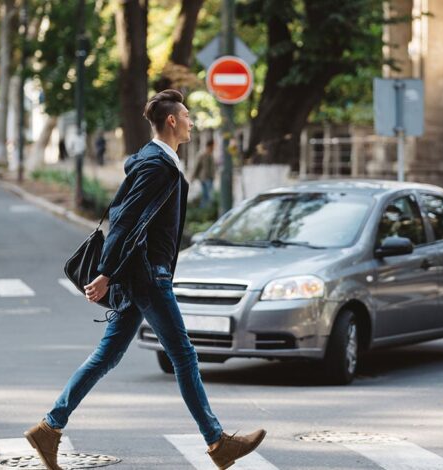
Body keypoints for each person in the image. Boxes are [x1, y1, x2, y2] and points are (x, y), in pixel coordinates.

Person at [24, 89, 266, 470]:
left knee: (107, 355)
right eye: (186, 115)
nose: (190, 121)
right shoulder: (156, 165)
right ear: (172, 120)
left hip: (143, 276)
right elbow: (126, 220)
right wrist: (105, 273)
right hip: (148, 277)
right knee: (184, 356)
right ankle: (217, 442)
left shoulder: (159, 161)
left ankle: (49, 427)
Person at [192, 138, 215, 207]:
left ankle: (205, 209)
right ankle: (205, 209)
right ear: (209, 146)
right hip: (204, 178)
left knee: (207, 195)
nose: (214, 148)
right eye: (213, 146)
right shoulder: (202, 155)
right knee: (207, 195)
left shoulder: (211, 155)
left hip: (211, 178)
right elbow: (197, 166)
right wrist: (193, 176)